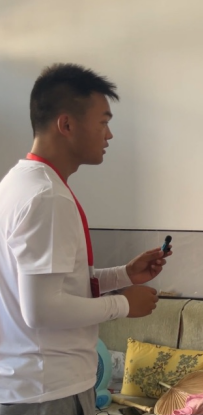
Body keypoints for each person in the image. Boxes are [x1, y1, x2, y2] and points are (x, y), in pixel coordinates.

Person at [0, 64, 170, 415]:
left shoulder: (17, 183)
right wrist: (124, 304)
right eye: (103, 122)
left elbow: (50, 284)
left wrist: (123, 274)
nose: (109, 135)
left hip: (28, 385)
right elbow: (41, 309)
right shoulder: (47, 197)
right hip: (47, 392)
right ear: (66, 125)